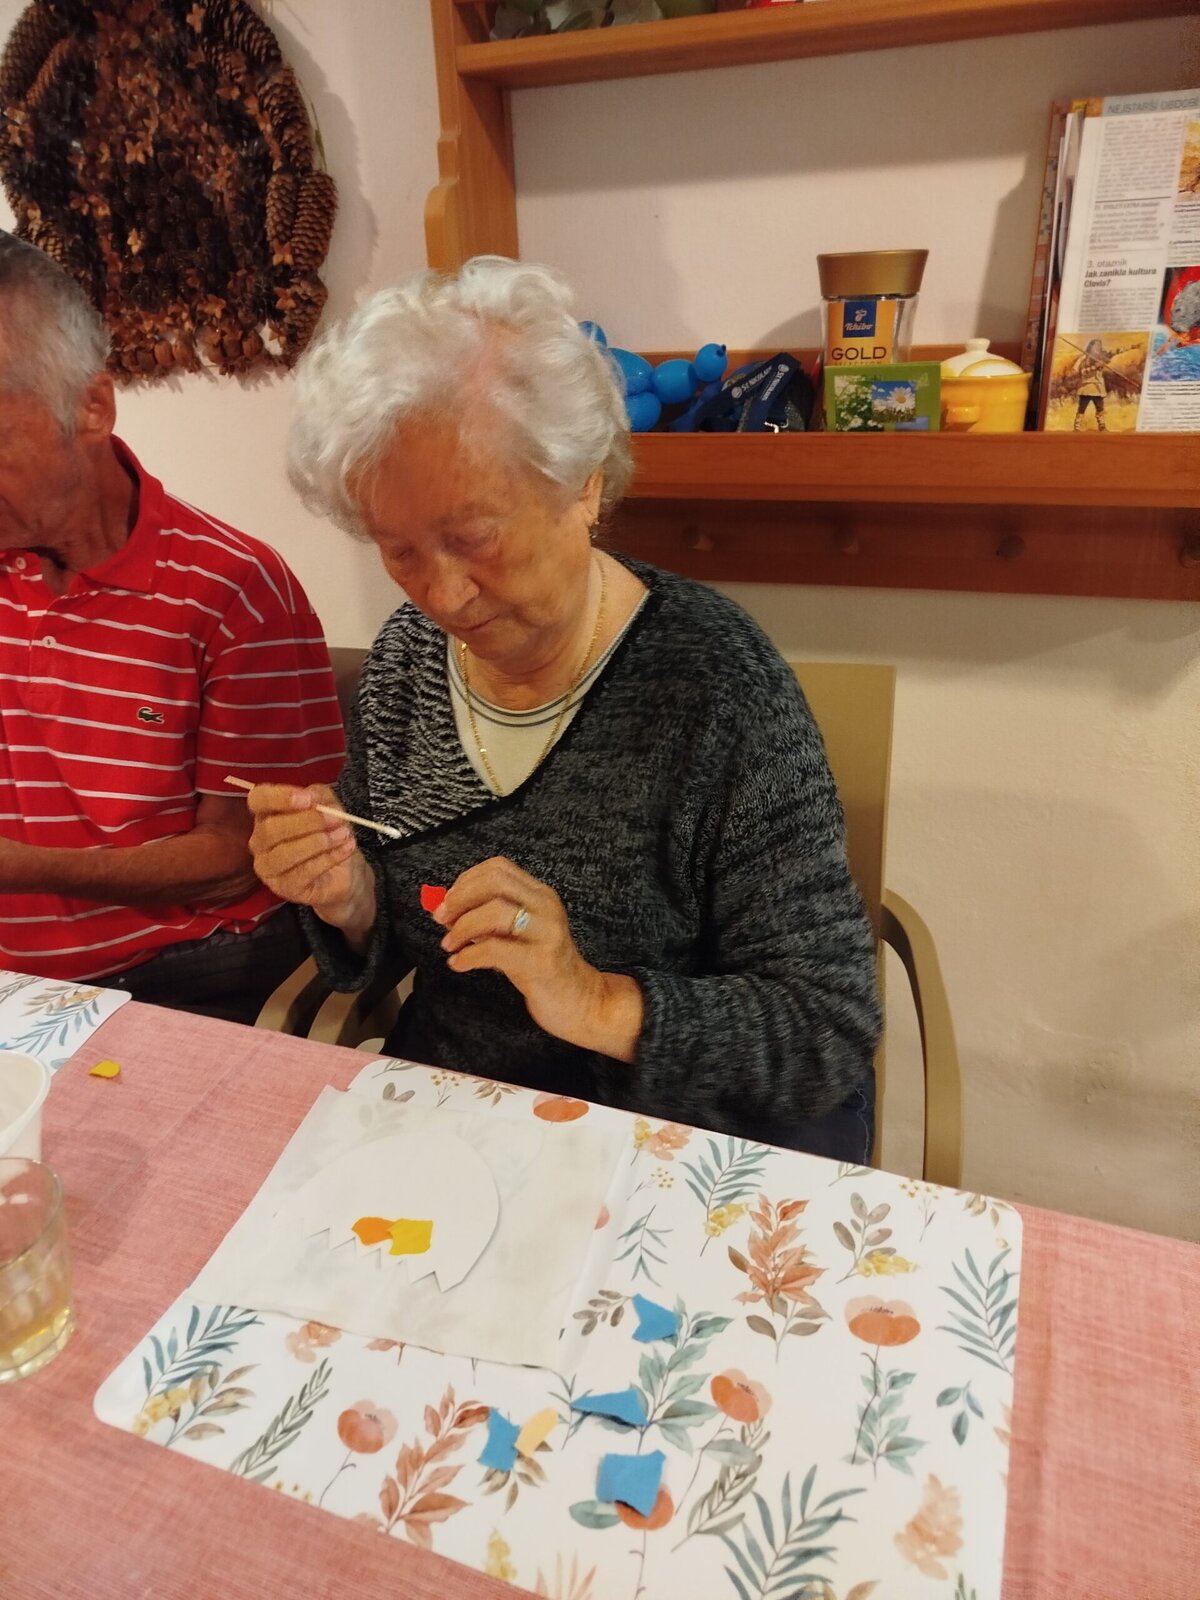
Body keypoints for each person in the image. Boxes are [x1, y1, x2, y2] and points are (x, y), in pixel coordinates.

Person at [247, 257, 881, 1158]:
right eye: (400, 550)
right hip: (461, 1124)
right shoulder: (407, 660)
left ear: (583, 484)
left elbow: (825, 1028)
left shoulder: (717, 687)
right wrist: (347, 894)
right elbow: (393, 923)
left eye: (474, 537)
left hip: (658, 1145)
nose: (443, 596)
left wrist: (591, 998)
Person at [0, 232, 344, 1024]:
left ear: (91, 407)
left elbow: (234, 861)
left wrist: (21, 868)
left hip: (179, 971)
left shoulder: (234, 592)